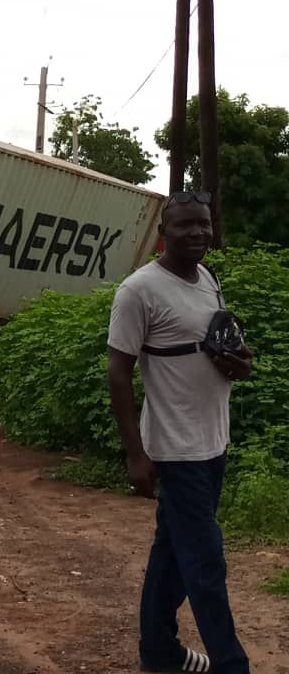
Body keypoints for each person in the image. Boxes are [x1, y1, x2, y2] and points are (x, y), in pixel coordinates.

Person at [107, 191, 252, 674]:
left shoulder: (208, 278)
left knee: (172, 554)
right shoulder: (138, 291)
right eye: (186, 225)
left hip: (213, 442)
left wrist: (240, 363)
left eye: (204, 224)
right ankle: (232, 666)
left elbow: (219, 344)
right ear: (161, 234)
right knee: (205, 563)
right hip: (177, 449)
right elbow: (118, 372)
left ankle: (159, 653)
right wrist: (135, 453)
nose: (197, 233)